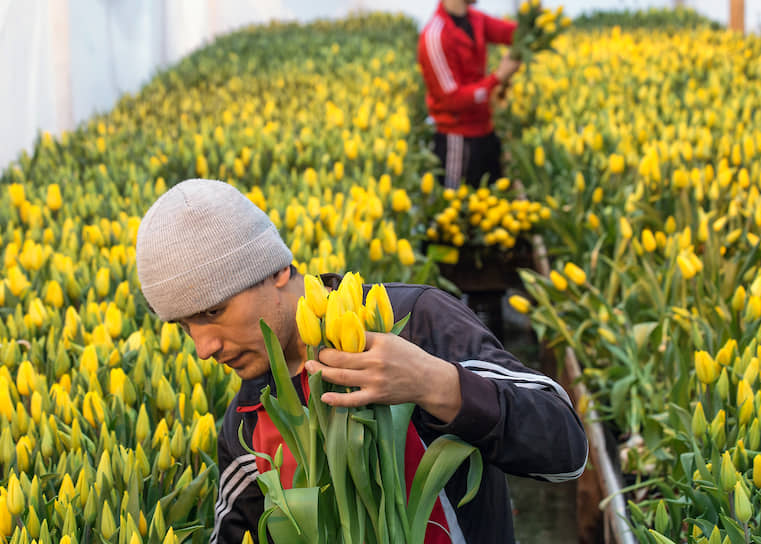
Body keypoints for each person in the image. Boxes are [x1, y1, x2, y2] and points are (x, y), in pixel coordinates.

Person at [135, 178, 588, 543]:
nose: (203, 347)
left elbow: (566, 451)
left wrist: (435, 384)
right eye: (184, 325)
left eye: (213, 312)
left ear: (275, 268)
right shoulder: (250, 420)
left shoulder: (414, 325)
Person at [418, 0, 521, 189]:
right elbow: (451, 99)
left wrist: (535, 20)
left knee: (495, 209)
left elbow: (513, 34)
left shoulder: (476, 19)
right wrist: (497, 79)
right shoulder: (435, 35)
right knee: (457, 212)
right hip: (457, 141)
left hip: (486, 132)